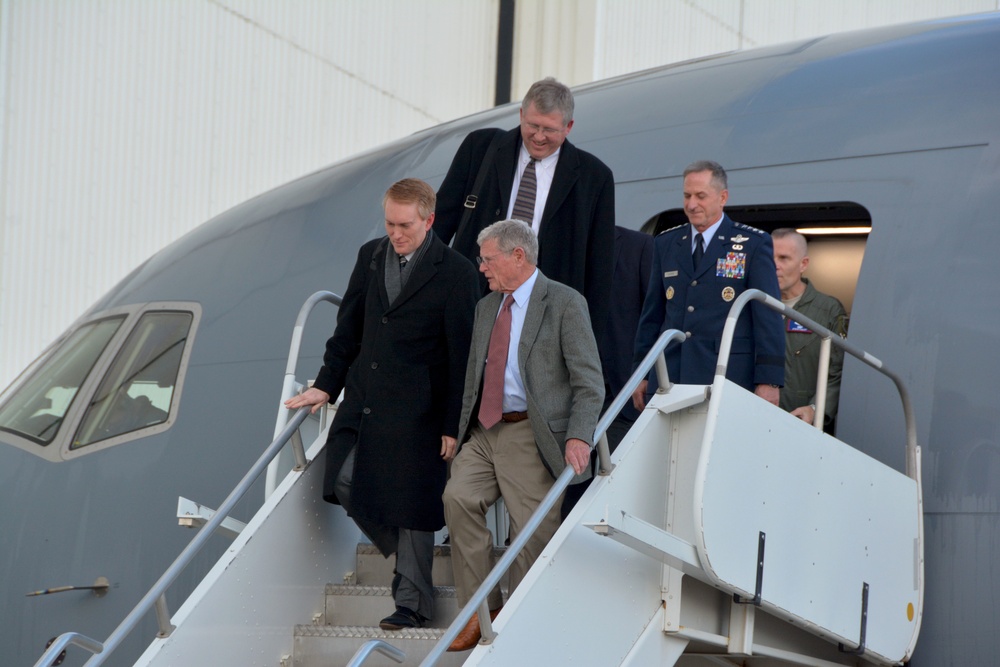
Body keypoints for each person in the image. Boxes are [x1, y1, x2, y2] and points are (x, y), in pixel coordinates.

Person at [284, 178, 478, 631]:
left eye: (405, 225)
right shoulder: (370, 257)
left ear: (429, 220)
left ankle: (411, 603)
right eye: (390, 223)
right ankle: (411, 563)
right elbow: (347, 327)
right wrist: (327, 385)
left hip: (420, 413)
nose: (396, 233)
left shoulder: (457, 272)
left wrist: (454, 424)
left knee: (412, 506)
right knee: (342, 479)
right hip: (366, 400)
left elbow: (463, 357)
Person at [442, 219, 604, 651]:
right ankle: (481, 612)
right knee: (457, 498)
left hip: (530, 431)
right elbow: (475, 378)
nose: (481, 267)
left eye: (488, 258)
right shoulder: (485, 308)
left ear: (518, 256)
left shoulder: (565, 302)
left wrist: (578, 435)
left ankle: (524, 619)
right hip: (484, 430)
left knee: (532, 531)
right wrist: (457, 431)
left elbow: (589, 380)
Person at [434, 77, 615, 345]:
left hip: (544, 315)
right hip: (473, 298)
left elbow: (599, 270)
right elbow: (439, 225)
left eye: (549, 129)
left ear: (569, 127)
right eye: (532, 125)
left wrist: (588, 343)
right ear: (521, 114)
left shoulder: (595, 178)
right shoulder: (480, 148)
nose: (539, 137)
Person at [632, 160, 784, 408]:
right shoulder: (666, 243)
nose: (691, 204)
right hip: (671, 376)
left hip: (727, 378)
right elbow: (652, 316)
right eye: (687, 196)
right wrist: (640, 371)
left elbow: (768, 318)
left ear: (722, 197)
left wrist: (770, 380)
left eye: (700, 196)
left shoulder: (752, 244)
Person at [561, 225, 653, 519]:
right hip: (567, 396)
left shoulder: (639, 246)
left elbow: (655, 314)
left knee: (596, 492)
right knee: (572, 491)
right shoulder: (558, 243)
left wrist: (644, 373)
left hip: (621, 394)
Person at [771, 228, 848, 428]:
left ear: (803, 264)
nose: (774, 265)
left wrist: (815, 409)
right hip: (757, 421)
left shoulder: (828, 310)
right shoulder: (752, 304)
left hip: (803, 428)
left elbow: (839, 372)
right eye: (769, 257)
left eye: (784, 258)